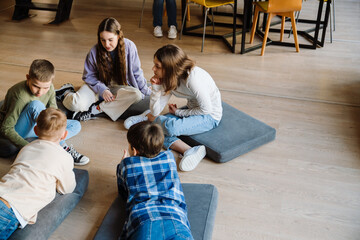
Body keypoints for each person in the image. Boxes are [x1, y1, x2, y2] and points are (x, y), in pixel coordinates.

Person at [124, 44, 222, 172]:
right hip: (192, 110)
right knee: (157, 131)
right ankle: (189, 150)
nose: (153, 69)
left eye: (157, 66)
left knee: (170, 127)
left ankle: (150, 119)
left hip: (210, 116)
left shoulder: (193, 78)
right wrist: (156, 89)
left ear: (170, 68)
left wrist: (179, 112)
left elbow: (206, 110)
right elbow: (156, 110)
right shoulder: (168, 78)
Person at [0, 108, 76, 239]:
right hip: (12, 210)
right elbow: (67, 188)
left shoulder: (26, 148)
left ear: (35, 130)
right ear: (64, 135)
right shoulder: (65, 157)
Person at [56, 17, 151, 122]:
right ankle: (66, 93)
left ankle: (94, 110)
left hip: (119, 88)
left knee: (136, 94)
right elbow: (88, 76)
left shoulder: (130, 47)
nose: (106, 44)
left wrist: (146, 91)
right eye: (103, 40)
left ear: (118, 36)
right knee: (76, 105)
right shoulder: (94, 51)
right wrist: (103, 90)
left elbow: (137, 73)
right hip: (96, 87)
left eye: (110, 40)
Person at [0, 59, 89, 165]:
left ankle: (44, 140)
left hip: (38, 127)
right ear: (28, 78)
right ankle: (61, 145)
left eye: (45, 87)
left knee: (76, 125)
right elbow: (6, 128)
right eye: (36, 86)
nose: (40, 92)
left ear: (50, 83)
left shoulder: (50, 88)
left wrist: (57, 126)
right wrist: (28, 147)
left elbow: (54, 114)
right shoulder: (20, 96)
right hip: (19, 129)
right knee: (36, 105)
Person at [117, 121, 193, 240]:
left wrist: (124, 164)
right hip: (175, 218)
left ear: (134, 150)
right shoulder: (169, 157)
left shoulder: (126, 165)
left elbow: (123, 194)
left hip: (144, 220)